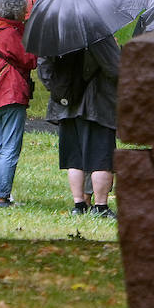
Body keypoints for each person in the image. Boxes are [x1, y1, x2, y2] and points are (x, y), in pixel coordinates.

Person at [39, 35, 120, 218]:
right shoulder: (98, 33)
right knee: (101, 159)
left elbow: (44, 68)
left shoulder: (56, 33)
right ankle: (100, 207)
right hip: (98, 105)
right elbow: (115, 69)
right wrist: (116, 50)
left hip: (66, 105)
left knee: (75, 159)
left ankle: (79, 204)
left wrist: (59, 91)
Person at [0, 0, 38, 208]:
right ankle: (2, 196)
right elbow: (30, 60)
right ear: (16, 10)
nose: (26, 12)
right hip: (11, 94)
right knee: (10, 147)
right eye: (24, 9)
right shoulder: (9, 34)